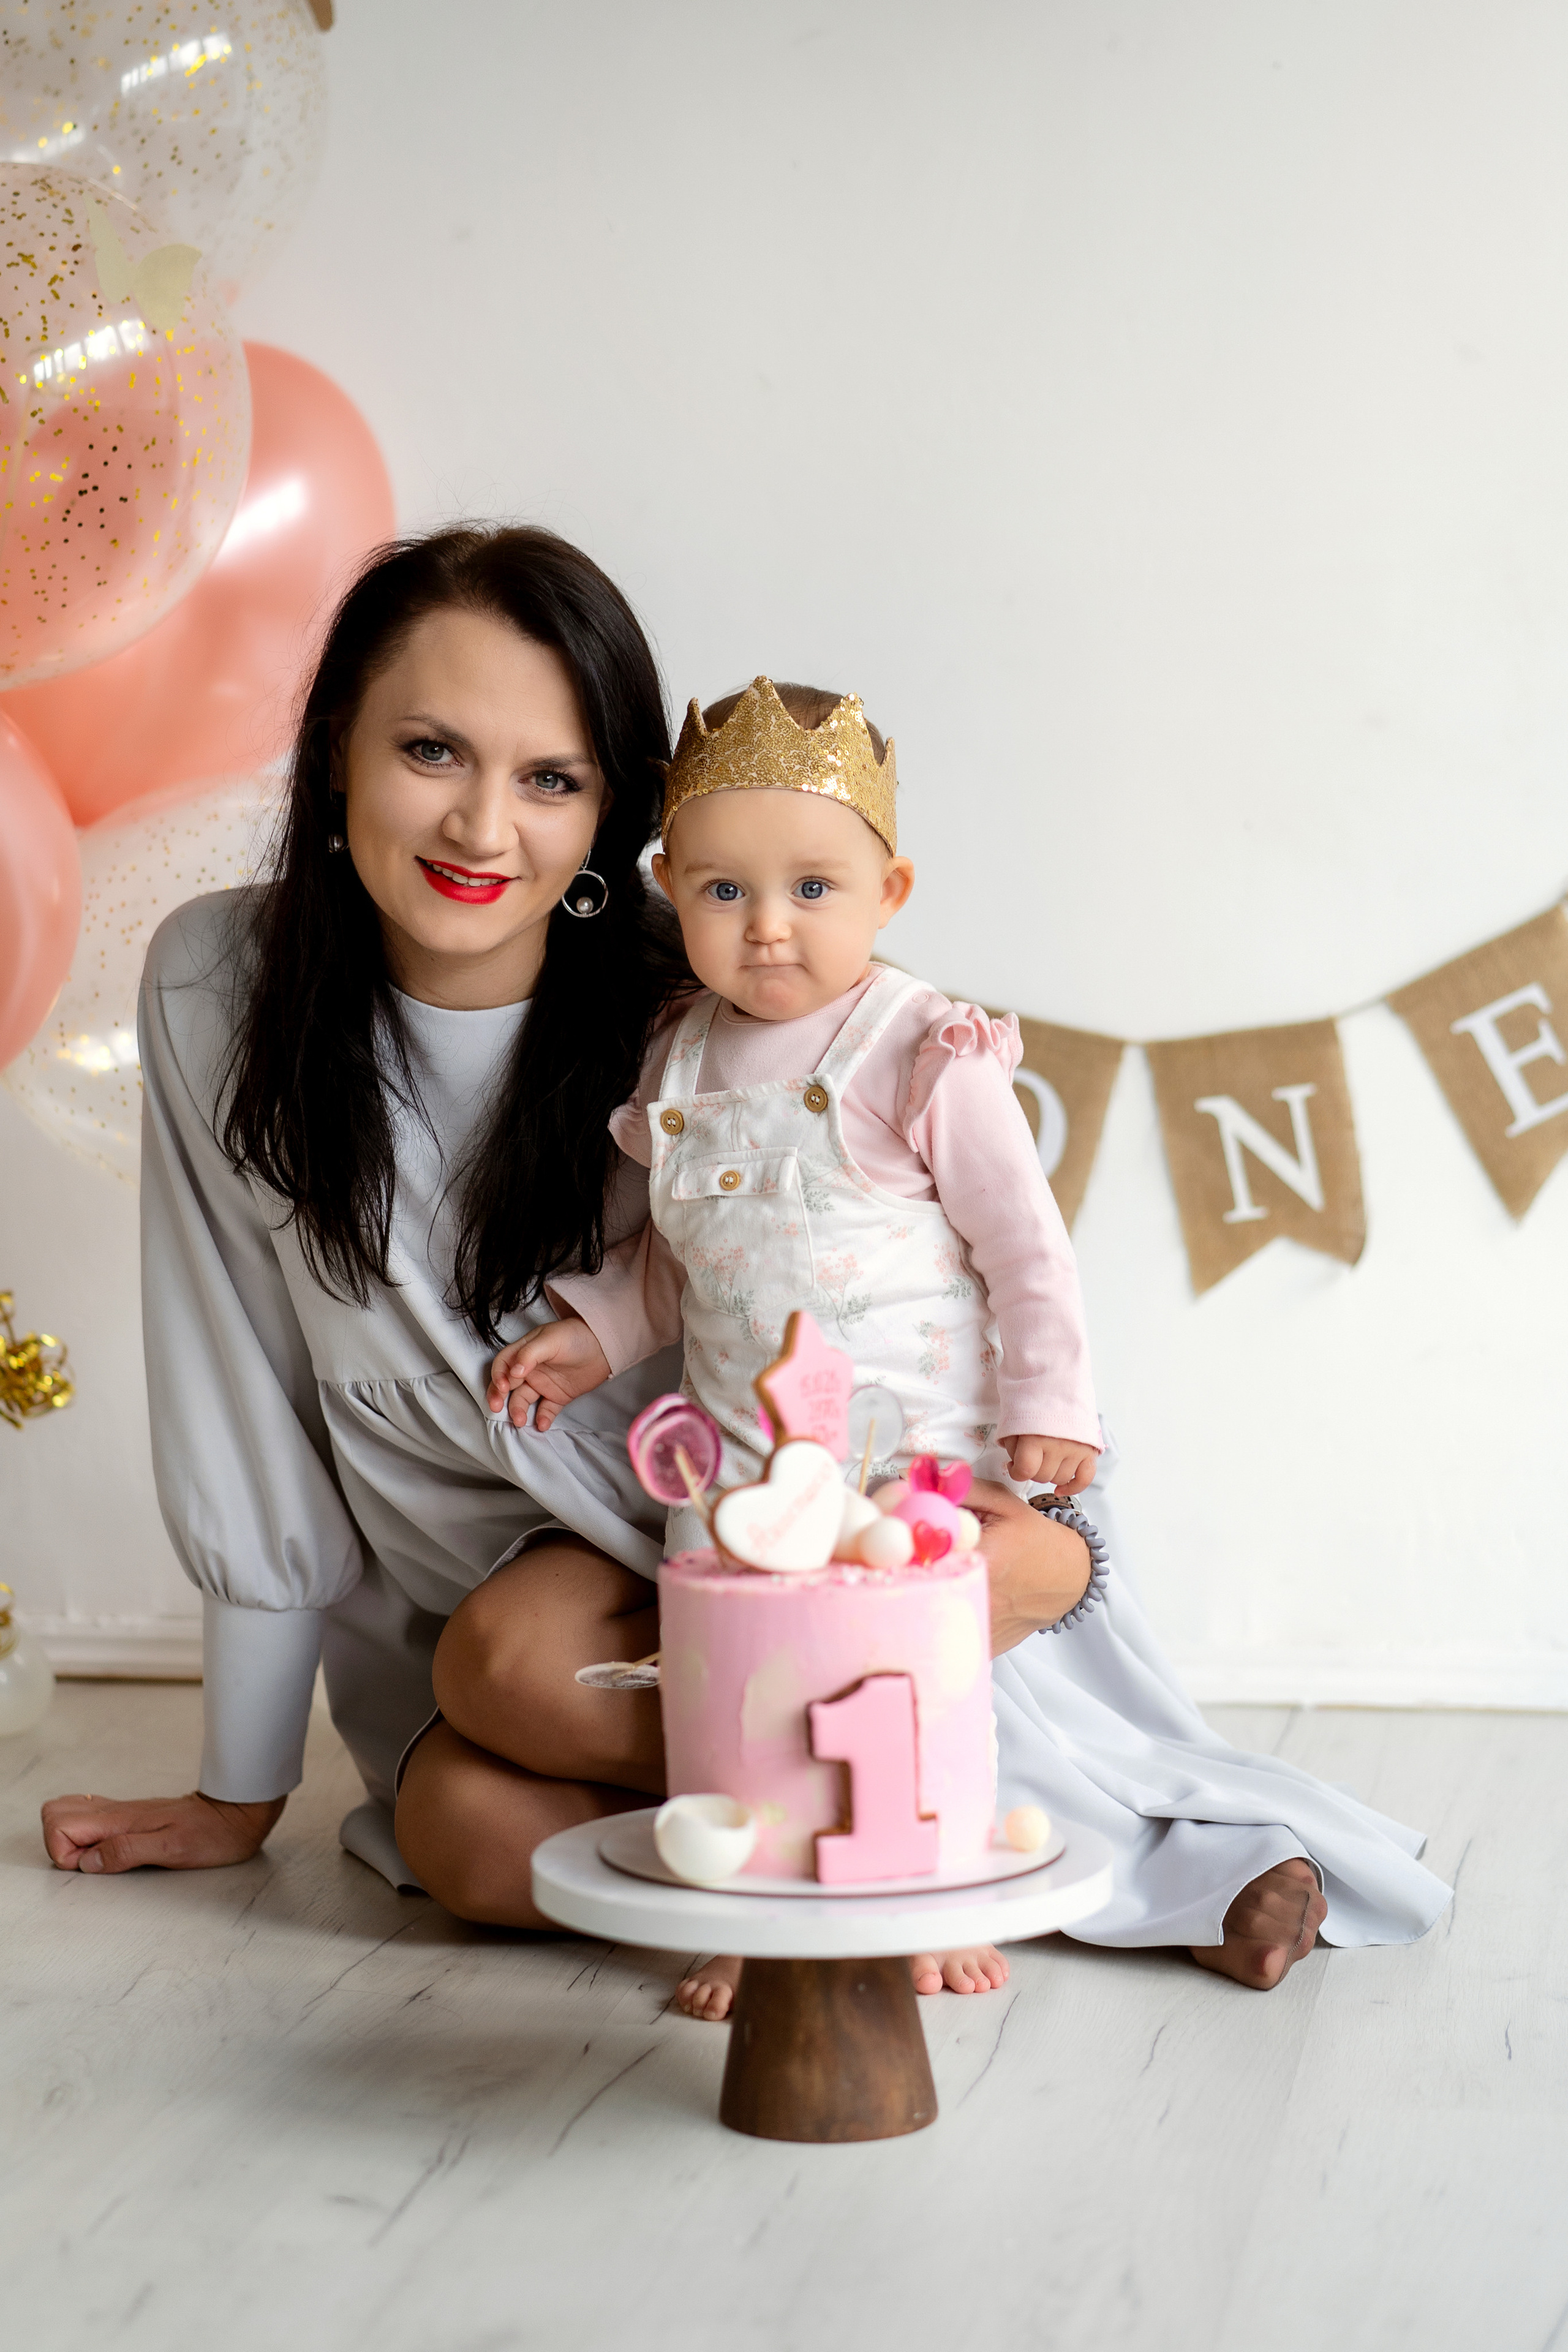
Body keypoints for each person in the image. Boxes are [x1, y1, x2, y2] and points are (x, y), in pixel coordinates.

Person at [32, 529, 1096, 1970]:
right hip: (503, 1603)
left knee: (518, 1664)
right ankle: (851, 1804)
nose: (483, 828)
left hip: (755, 1513)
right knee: (466, 1834)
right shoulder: (218, 983)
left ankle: (904, 1802)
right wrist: (240, 1786)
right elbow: (237, 1376)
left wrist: (1042, 1495)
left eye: (552, 779)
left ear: (613, 815)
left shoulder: (703, 999)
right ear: (337, 743)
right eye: (430, 751)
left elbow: (930, 1253)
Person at [485, 677, 1453, 2015]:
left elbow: (1024, 1246)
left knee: (916, 1692)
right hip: (749, 1472)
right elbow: (680, 1254)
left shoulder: (919, 1047)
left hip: (914, 1453)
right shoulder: (680, 1061)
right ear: (669, 888)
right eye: (723, 892)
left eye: (812, 889)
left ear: (889, 891)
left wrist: (1049, 1405)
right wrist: (596, 1335)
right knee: (739, 1699)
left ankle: (937, 1882)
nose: (767, 926)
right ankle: (760, 1905)